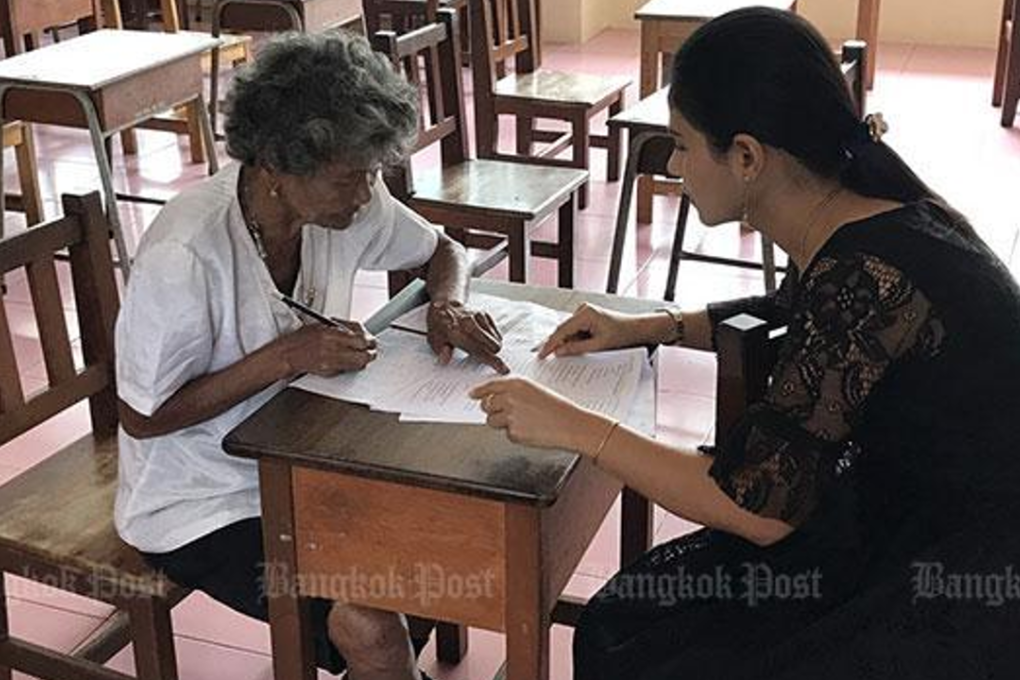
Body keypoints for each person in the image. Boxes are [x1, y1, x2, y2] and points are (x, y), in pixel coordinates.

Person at [470, 8, 1020, 679]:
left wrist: (581, 429)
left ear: (748, 157)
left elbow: (757, 509)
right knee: (630, 618)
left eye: (681, 144)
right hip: (918, 516)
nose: (674, 165)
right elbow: (795, 311)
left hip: (964, 577)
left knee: (638, 642)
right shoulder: (866, 216)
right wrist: (652, 326)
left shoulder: (865, 272)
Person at [115, 31, 507, 680]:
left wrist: (449, 303)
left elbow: (444, 252)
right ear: (276, 164)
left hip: (308, 455)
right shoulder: (187, 253)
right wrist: (284, 357)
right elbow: (142, 418)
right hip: (204, 499)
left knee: (455, 531)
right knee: (370, 623)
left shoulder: (346, 201)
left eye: (372, 175)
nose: (364, 196)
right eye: (348, 179)